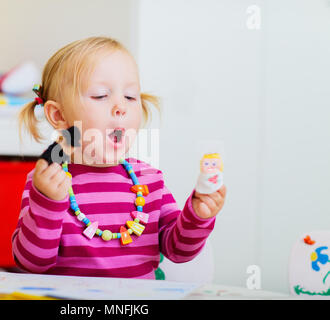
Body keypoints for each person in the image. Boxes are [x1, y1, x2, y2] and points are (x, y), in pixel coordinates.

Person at [12, 36, 227, 278]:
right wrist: (48, 203)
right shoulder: (46, 182)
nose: (120, 107)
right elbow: (31, 263)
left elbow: (178, 250)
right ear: (59, 115)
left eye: (130, 97)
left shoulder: (149, 179)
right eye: (101, 95)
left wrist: (198, 216)